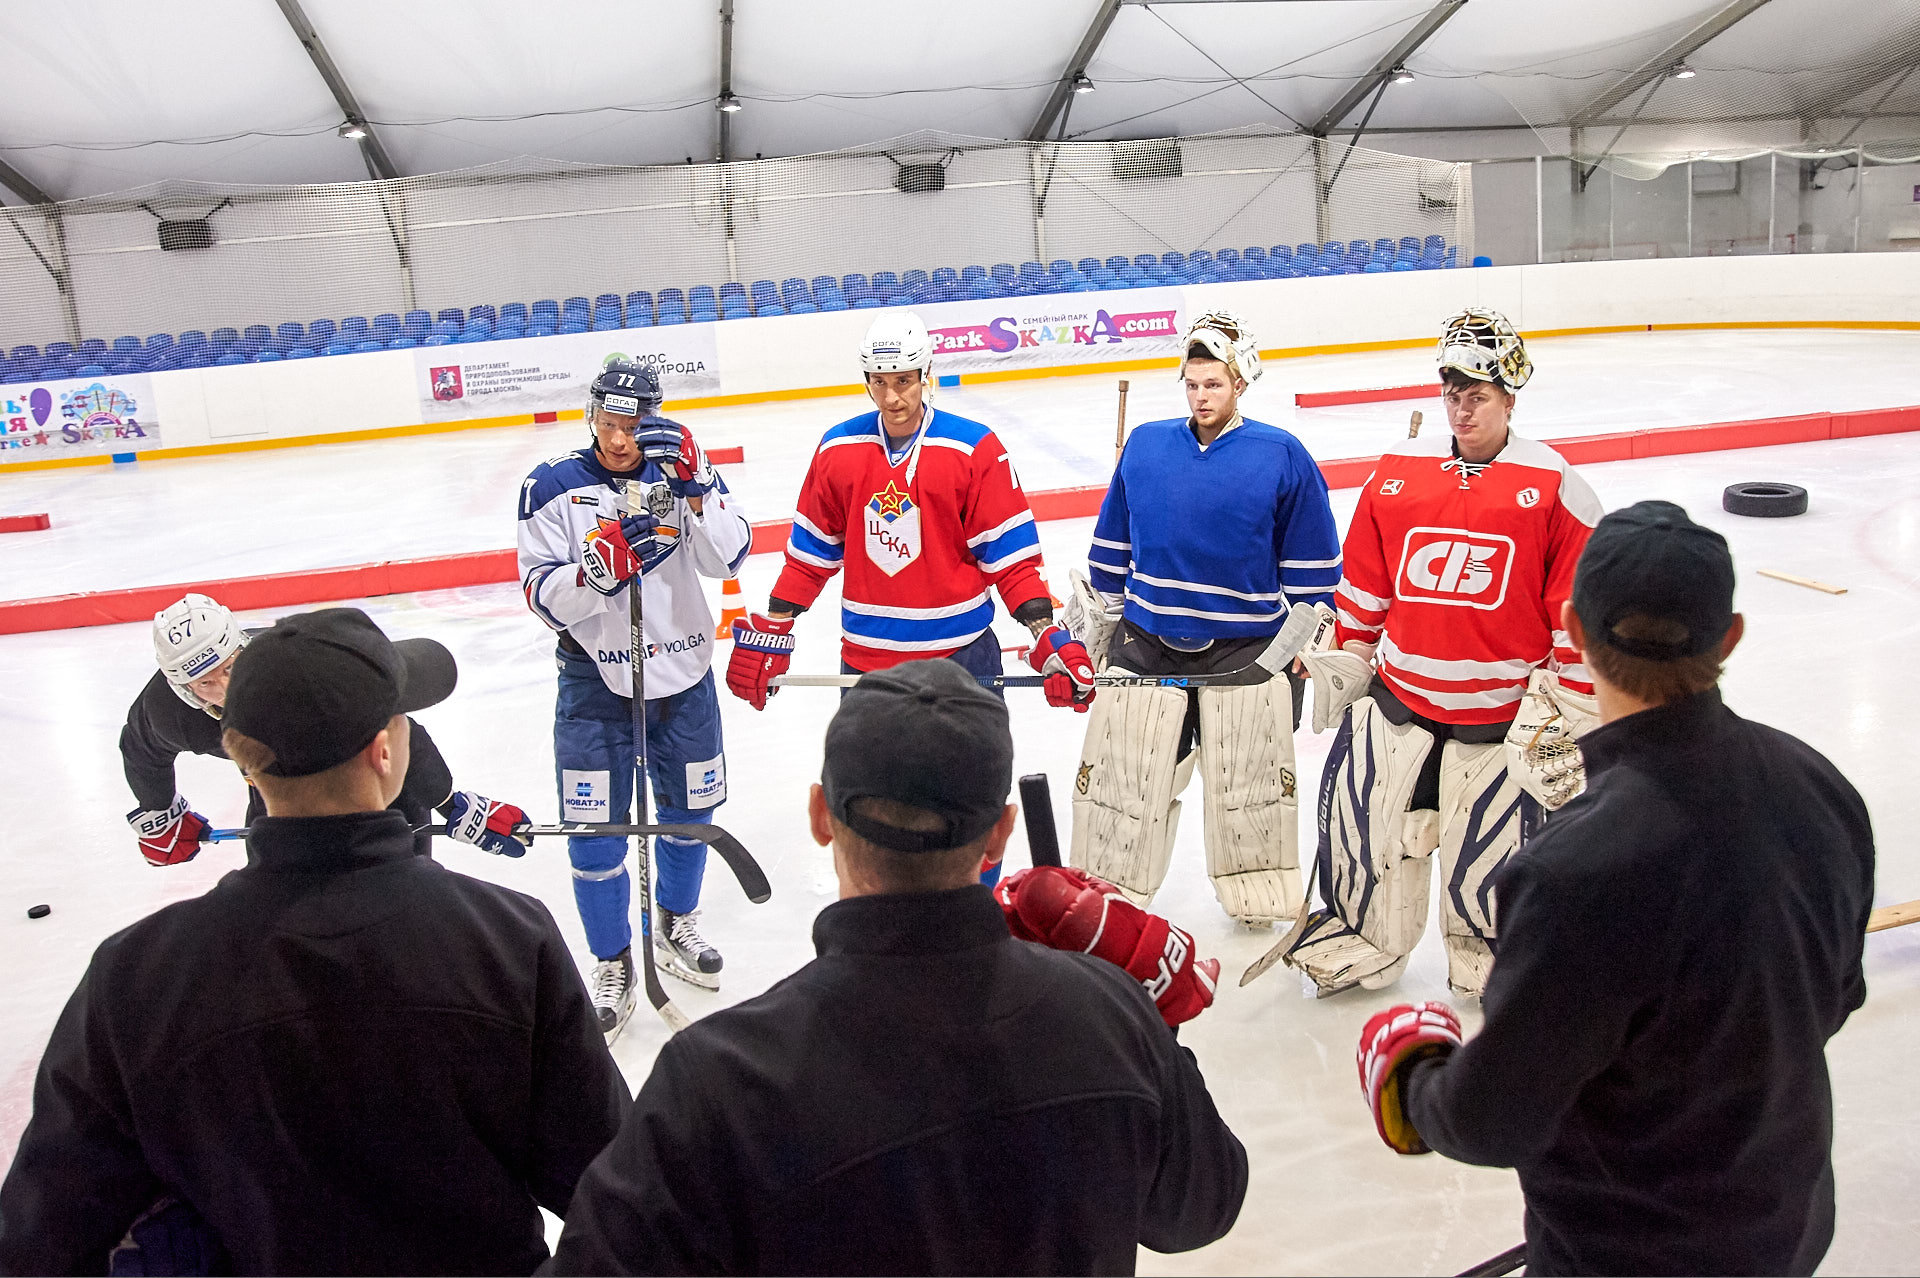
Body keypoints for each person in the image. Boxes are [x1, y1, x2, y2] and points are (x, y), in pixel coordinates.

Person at [549, 659, 1246, 1275]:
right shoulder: (1108, 1014)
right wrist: (1155, 1021)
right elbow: (1199, 1211)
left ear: (821, 814)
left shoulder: (721, 1080)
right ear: (1001, 831)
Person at [0, 607, 630, 1275]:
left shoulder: (131, 980)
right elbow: (624, 1197)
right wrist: (155, 812)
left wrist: (452, 802)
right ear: (386, 752)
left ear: (241, 759)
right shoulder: (509, 941)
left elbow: (41, 1244)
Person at [1356, 502, 1875, 1276]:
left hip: (1626, 1254)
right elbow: (1832, 997)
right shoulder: (1821, 787)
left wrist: (1414, 1078)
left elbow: (1493, 1121)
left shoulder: (1574, 872)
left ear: (1571, 628)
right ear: (1729, 635)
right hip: (1786, 1228)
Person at [1280, 307, 1602, 997]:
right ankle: (1364, 936)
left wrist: (1570, 708)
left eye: (1477, 395)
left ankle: (1492, 960)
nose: (1460, 409)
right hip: (1398, 703)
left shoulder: (1555, 486)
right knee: (1369, 836)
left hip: (1498, 717)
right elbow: (1365, 583)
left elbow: (1575, 614)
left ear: (1510, 396)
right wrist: (1347, 654)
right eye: (1451, 393)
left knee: (1492, 860)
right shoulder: (1397, 473)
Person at [724, 313, 1097, 777]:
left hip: (962, 662)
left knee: (971, 817)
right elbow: (810, 555)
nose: (892, 396)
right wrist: (774, 627)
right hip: (867, 666)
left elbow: (1013, 562)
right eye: (879, 382)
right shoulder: (838, 449)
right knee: (874, 822)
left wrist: (1047, 636)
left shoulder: (974, 449)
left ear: (926, 375)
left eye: (903, 380)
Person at [1068, 310, 1340, 926]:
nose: (1200, 396)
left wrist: (1304, 649)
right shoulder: (1145, 444)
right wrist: (1090, 632)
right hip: (1145, 640)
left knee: (1248, 789)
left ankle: (1258, 894)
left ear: (1241, 382)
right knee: (1124, 780)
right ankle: (1110, 893)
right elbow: (1111, 552)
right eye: (1191, 384)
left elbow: (1313, 578)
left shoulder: (1282, 455)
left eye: (1213, 384)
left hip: (1242, 650)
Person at [519, 357, 753, 1038]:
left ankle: (676, 922)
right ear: (592, 412)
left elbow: (730, 557)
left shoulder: (681, 471)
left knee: (690, 811)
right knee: (595, 830)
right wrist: (596, 573)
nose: (621, 438)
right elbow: (539, 592)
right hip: (595, 683)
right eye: (610, 420)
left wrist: (700, 484)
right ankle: (613, 957)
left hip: (684, 675)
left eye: (635, 422)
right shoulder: (552, 486)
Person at [121, 592, 527, 865]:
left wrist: (447, 800)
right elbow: (141, 748)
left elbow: (394, 722)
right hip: (278, 800)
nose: (225, 690)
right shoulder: (169, 711)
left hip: (378, 793)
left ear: (242, 645)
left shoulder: (298, 668)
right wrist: (161, 812)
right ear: (182, 688)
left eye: (229, 669)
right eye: (204, 683)